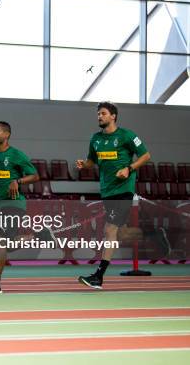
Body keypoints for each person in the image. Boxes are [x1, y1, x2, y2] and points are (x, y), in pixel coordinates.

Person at [76, 101, 151, 289]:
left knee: (110, 229)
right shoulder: (96, 139)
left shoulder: (127, 135)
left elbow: (145, 155)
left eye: (102, 113)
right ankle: (144, 233)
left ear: (113, 116)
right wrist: (83, 165)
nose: (99, 116)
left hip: (124, 190)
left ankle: (98, 276)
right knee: (112, 231)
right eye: (98, 114)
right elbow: (91, 161)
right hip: (107, 190)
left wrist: (129, 168)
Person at [0, 122, 40, 294]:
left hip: (14, 203)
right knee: (6, 245)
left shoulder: (16, 155)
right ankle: (40, 235)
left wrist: (17, 181)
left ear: (6, 134)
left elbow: (35, 176)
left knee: (1, 242)